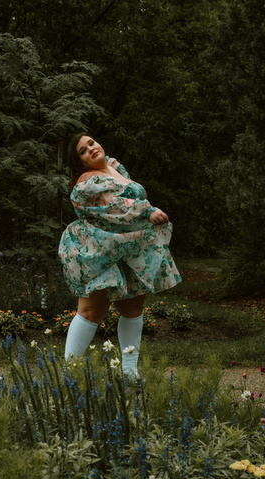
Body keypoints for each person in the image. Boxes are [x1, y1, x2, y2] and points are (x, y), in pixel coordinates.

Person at [58, 133, 181, 377]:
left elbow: (130, 196)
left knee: (133, 308)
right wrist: (148, 212)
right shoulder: (87, 180)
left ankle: (129, 375)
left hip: (128, 246)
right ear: (79, 162)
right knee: (92, 311)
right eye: (83, 151)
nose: (91, 149)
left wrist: (147, 212)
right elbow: (112, 205)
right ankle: (68, 376)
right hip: (102, 250)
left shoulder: (114, 167)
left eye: (91, 143)